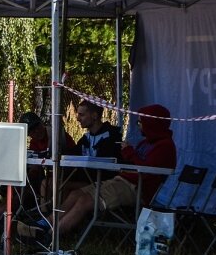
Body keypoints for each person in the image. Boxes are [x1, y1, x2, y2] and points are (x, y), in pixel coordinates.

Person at [19, 104, 176, 242]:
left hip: (135, 187)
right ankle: (44, 224)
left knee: (86, 200)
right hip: (121, 180)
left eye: (142, 122)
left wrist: (129, 153)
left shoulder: (164, 146)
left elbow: (147, 170)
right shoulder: (146, 143)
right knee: (76, 194)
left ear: (153, 124)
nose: (139, 125)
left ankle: (50, 236)